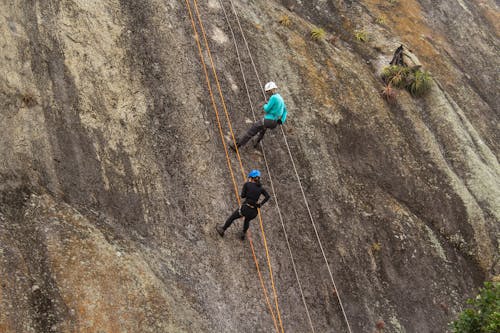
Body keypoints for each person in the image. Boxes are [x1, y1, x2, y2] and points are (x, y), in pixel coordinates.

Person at [229, 81, 287, 150]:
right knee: (263, 129)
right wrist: (282, 120)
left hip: (268, 119)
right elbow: (285, 110)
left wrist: (265, 105)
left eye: (268, 91)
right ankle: (256, 143)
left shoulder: (273, 97)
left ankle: (236, 145)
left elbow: (267, 109)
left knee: (252, 130)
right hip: (274, 123)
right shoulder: (281, 98)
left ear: (272, 90)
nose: (267, 93)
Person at [216, 169, 270, 240]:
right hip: (254, 212)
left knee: (232, 217)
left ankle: (222, 230)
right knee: (247, 220)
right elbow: (267, 196)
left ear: (252, 178)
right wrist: (260, 204)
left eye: (250, 177)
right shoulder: (261, 188)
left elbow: (243, 196)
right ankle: (243, 234)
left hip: (246, 208)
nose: (249, 179)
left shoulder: (247, 184)